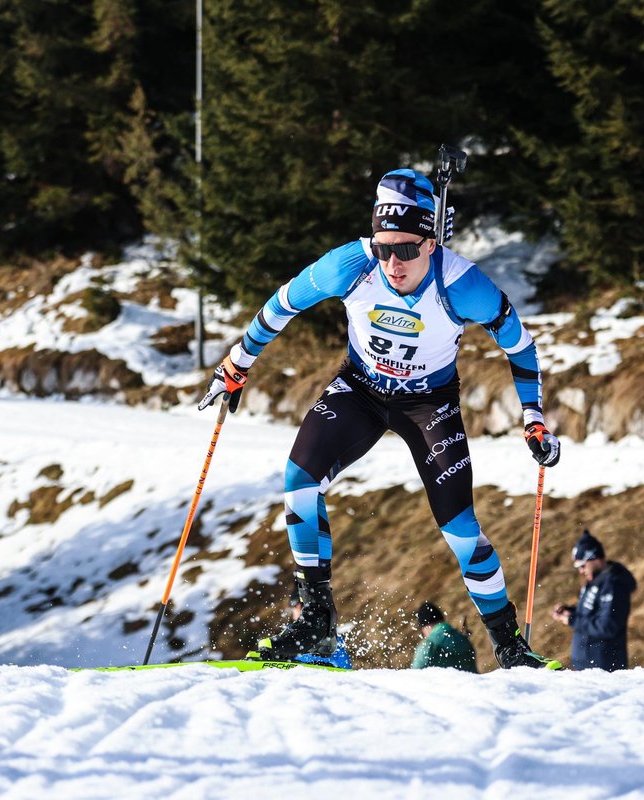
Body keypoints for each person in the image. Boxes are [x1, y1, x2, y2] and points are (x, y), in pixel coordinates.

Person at [199, 167, 562, 670]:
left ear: (431, 244)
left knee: (461, 530)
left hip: (428, 404)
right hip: (361, 390)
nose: (393, 262)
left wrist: (533, 417)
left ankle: (509, 646)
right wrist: (238, 363)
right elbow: (281, 306)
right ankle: (318, 624)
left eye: (407, 249)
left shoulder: (461, 284)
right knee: (298, 481)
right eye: (384, 248)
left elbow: (521, 347)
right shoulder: (351, 265)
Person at [551, 530, 637, 671]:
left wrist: (572, 620)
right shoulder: (596, 580)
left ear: (595, 559)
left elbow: (607, 626)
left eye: (582, 565)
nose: (581, 571)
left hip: (604, 668)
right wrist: (569, 611)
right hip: (586, 665)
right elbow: (590, 612)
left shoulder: (614, 584)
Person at [288, 582, 353, 669]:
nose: (298, 608)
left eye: (302, 604)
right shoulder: (287, 635)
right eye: (294, 605)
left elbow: (345, 666)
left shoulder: (328, 633)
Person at [410, 601, 478, 672]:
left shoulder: (428, 645)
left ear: (426, 626)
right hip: (471, 682)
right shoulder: (463, 639)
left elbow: (415, 676)